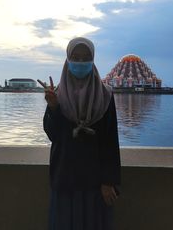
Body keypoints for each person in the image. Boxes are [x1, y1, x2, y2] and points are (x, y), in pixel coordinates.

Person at [38, 37, 121, 230]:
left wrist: (108, 181)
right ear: (67, 60)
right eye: (75, 57)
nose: (81, 63)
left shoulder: (105, 96)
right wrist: (53, 108)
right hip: (65, 179)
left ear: (93, 60)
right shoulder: (57, 94)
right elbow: (53, 134)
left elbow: (110, 141)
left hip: (95, 183)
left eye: (86, 58)